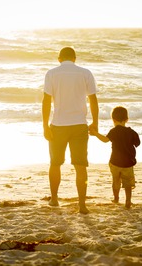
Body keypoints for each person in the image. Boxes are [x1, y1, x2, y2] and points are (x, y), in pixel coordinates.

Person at [42, 47, 99, 214]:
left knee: (55, 164)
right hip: (79, 125)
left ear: (59, 58)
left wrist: (45, 125)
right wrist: (95, 122)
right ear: (75, 58)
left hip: (58, 125)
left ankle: (54, 199)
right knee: (80, 166)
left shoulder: (51, 73)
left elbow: (46, 101)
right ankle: (82, 204)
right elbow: (93, 100)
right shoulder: (85, 73)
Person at [90, 106, 140, 209]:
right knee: (128, 183)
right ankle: (128, 201)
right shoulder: (132, 132)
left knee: (116, 181)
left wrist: (95, 133)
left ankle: (116, 198)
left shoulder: (114, 131)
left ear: (113, 119)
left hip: (115, 162)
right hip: (128, 163)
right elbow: (138, 143)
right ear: (126, 119)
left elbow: (105, 140)